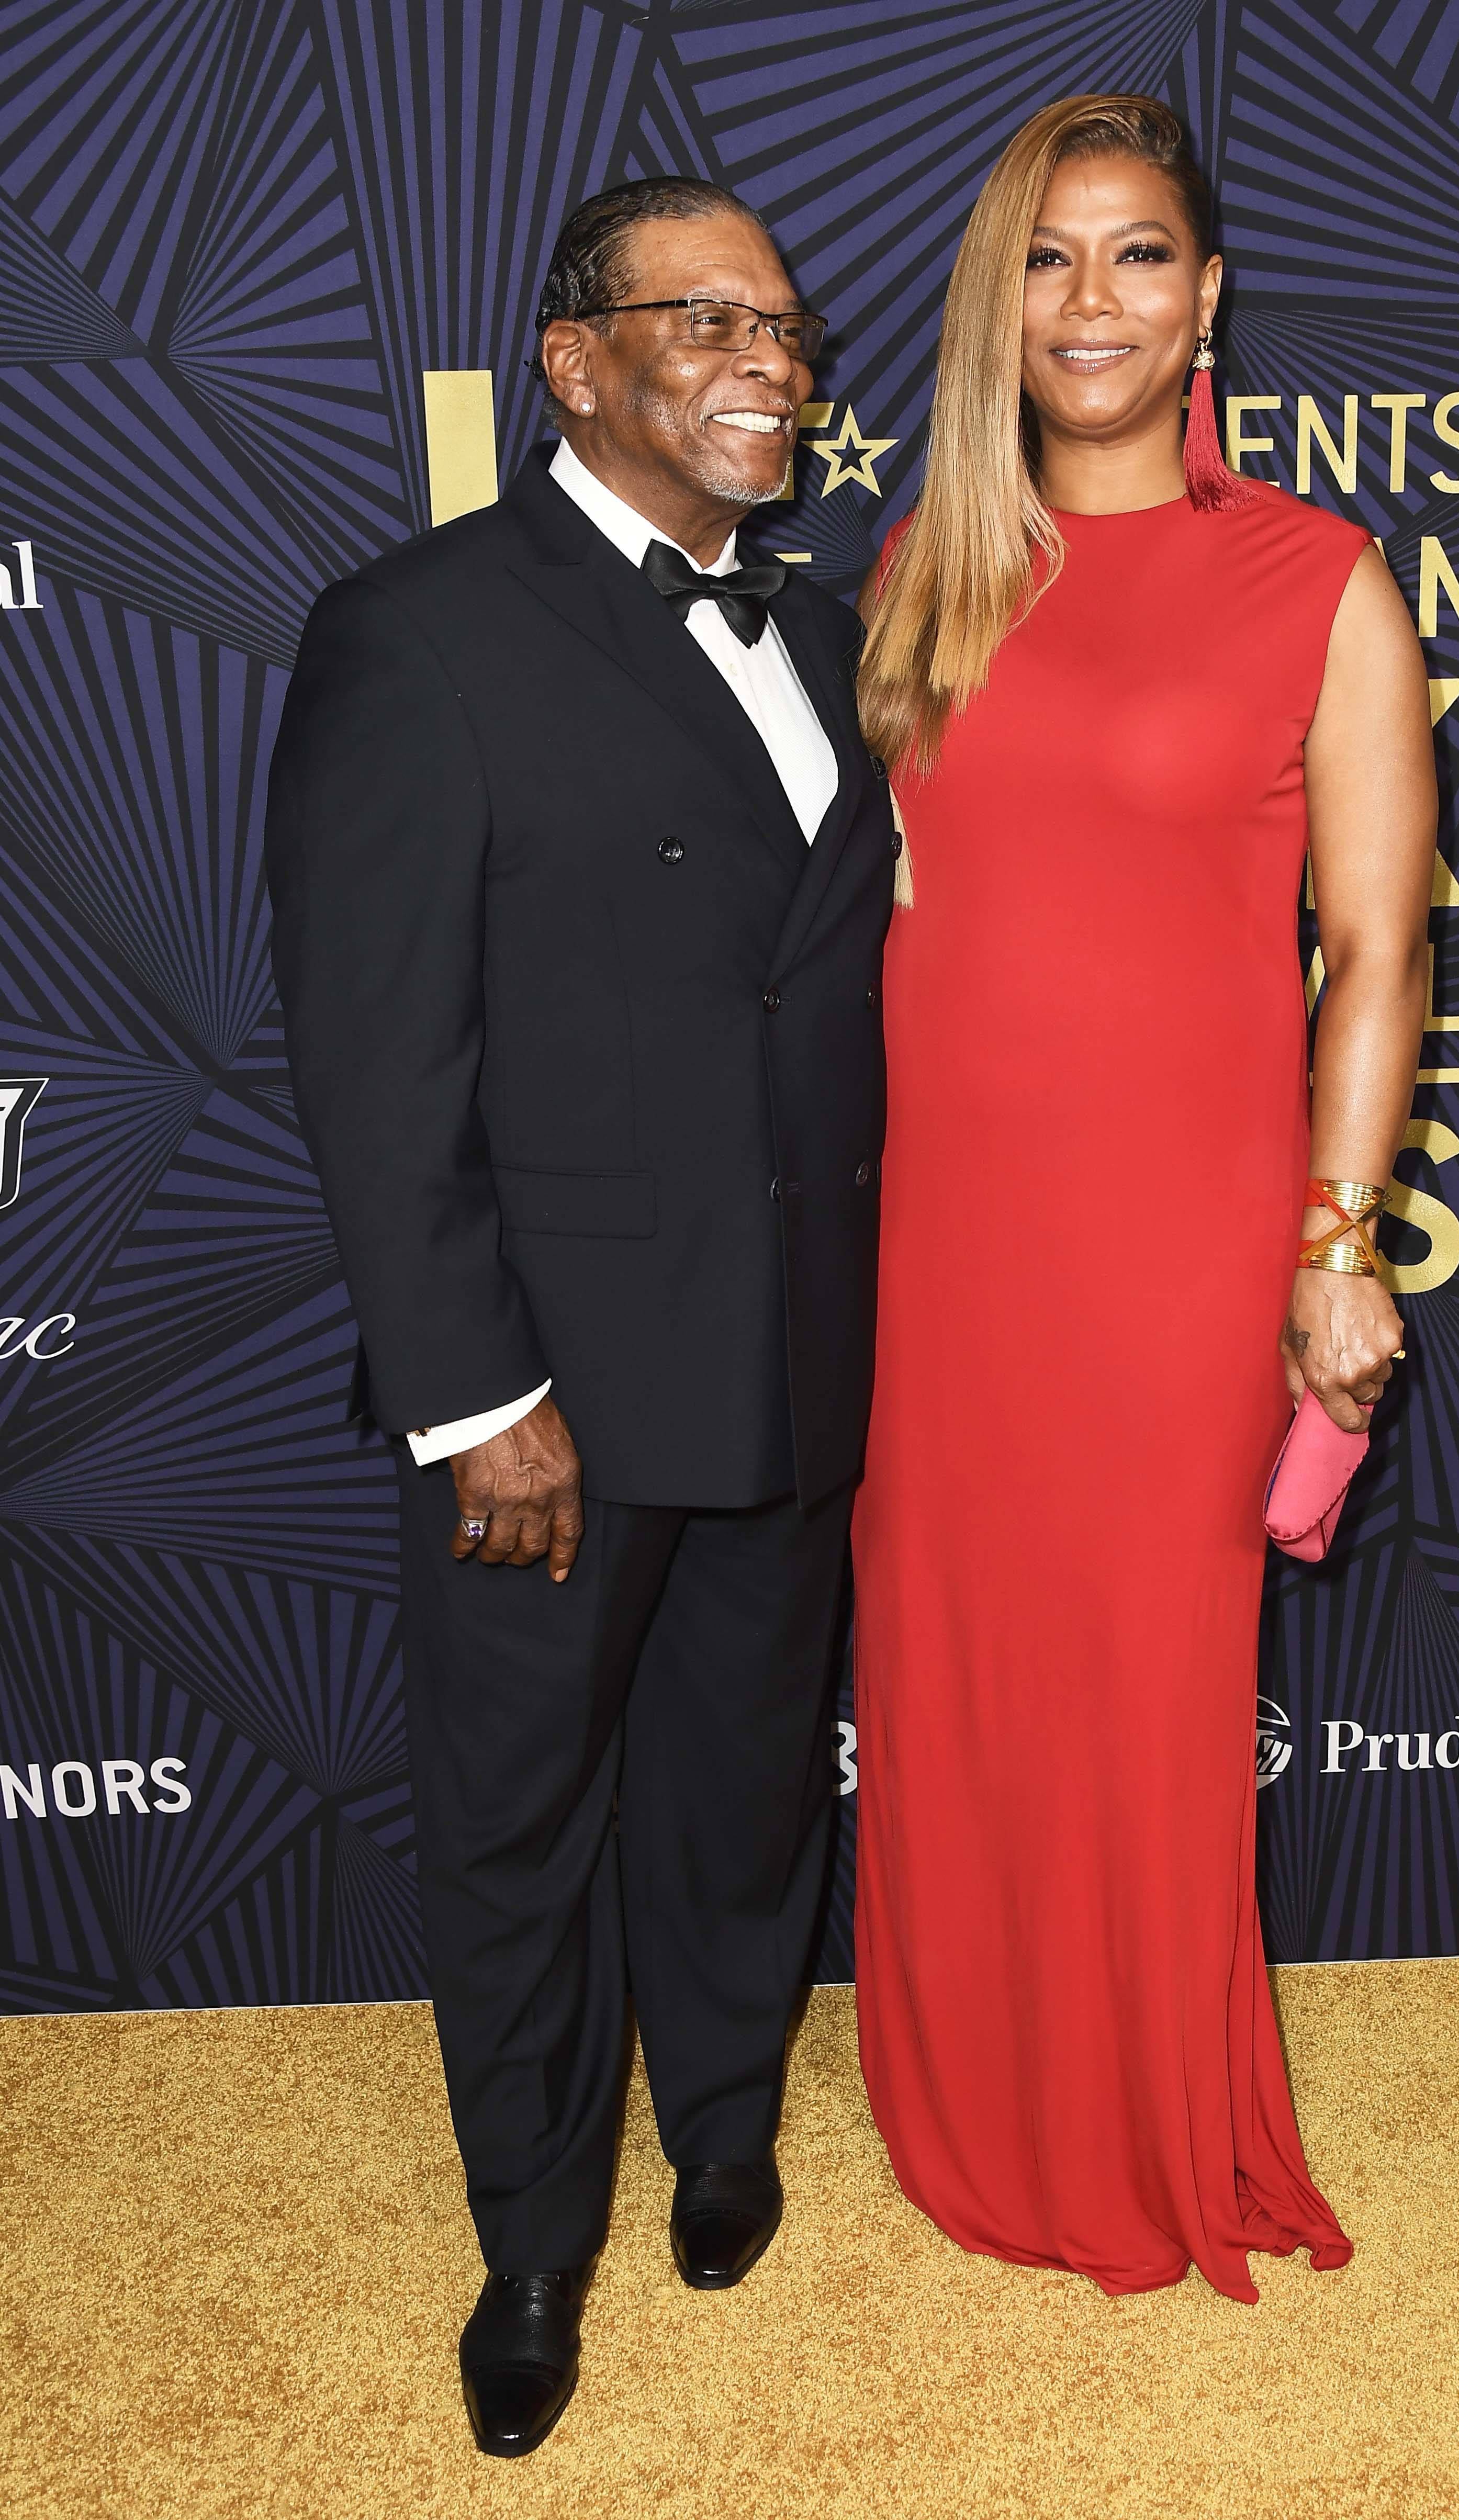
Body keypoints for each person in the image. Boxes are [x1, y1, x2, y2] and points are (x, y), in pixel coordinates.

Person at [265, 177, 895, 2456]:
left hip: (805, 1341)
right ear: (572, 362)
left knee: (739, 1775)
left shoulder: (833, 638)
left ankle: (720, 2123)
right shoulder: (420, 632)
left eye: (790, 326)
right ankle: (532, 2228)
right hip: (551, 1378)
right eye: (703, 316)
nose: (765, 359)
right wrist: (470, 1395)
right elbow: (372, 1049)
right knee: (521, 1811)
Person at [850, 95, 1434, 2301]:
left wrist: (1330, 1238)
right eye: (1047, 260)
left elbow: (1375, 948)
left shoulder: (1314, 577)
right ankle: (968, 2086)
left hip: (1172, 1234)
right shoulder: (925, 563)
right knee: (949, 1660)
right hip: (942, 1231)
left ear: (1209, 301)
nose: (1090, 302)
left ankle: (1132, 2114)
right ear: (993, 304)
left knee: (1137, 1678)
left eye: (1138, 257)